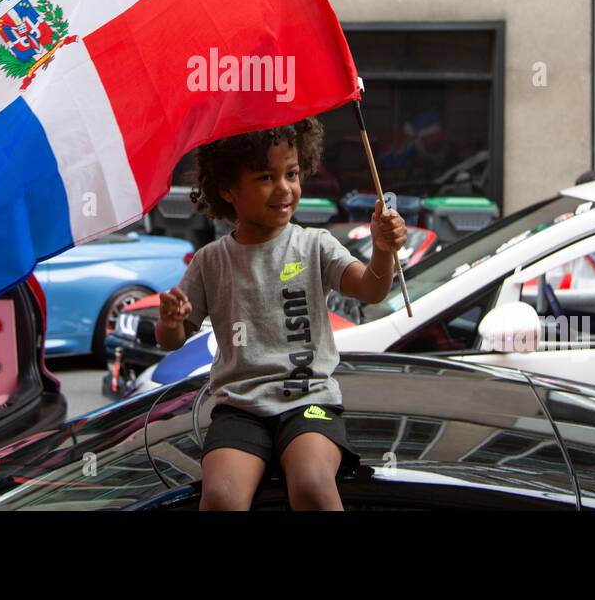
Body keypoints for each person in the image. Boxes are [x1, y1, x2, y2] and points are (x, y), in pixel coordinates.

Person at [156, 117, 407, 511]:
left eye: (291, 173)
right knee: (220, 498)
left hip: (310, 402)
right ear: (227, 189)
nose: (285, 188)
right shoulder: (210, 261)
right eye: (265, 177)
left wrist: (381, 249)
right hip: (238, 410)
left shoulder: (315, 245)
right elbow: (172, 339)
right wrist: (170, 323)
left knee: (311, 484)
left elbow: (372, 288)